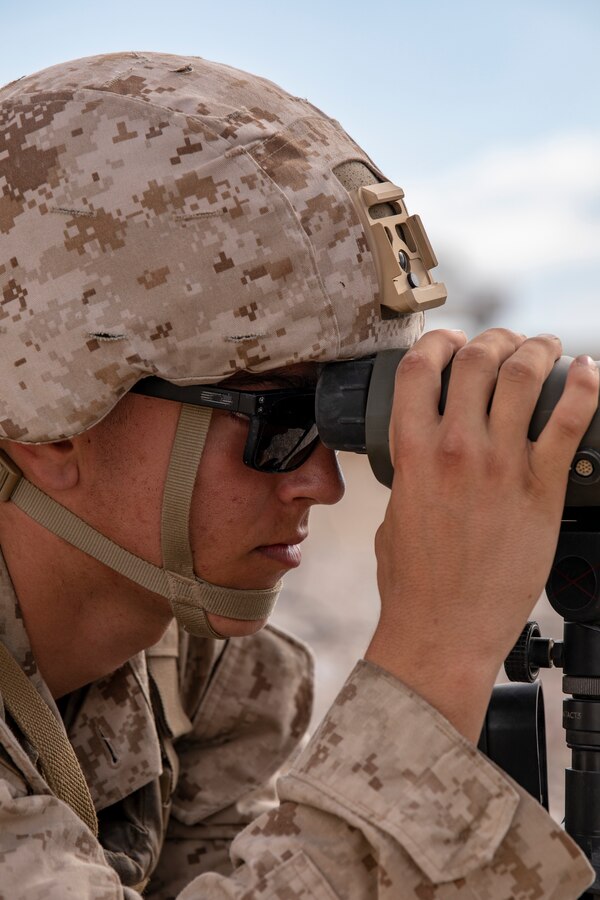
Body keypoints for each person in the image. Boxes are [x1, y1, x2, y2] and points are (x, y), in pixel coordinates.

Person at [0, 50, 596, 899]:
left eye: (337, 412)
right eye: (279, 418)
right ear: (52, 424)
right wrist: (434, 665)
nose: (323, 483)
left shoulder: (187, 665)